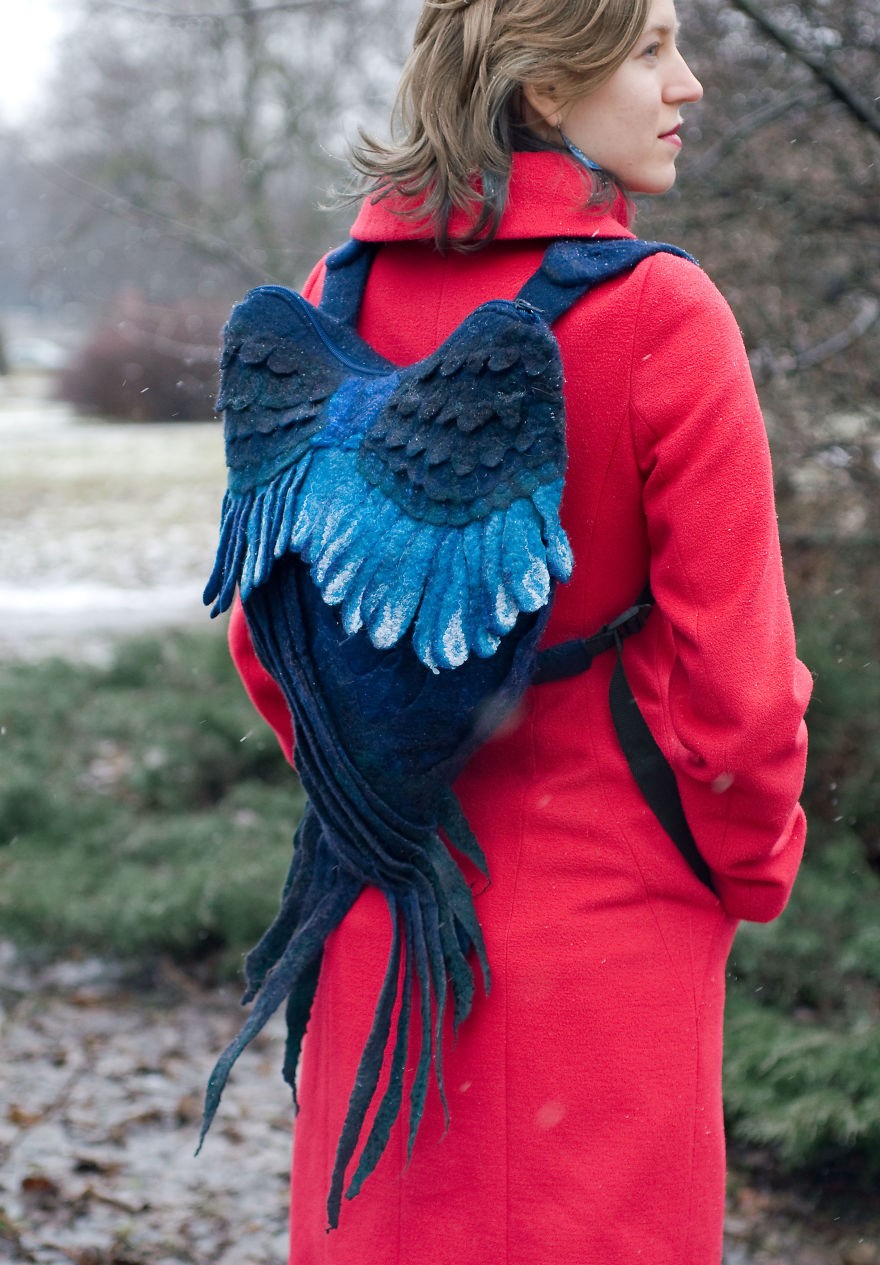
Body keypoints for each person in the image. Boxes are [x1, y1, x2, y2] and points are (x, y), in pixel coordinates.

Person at [224, 0, 812, 1260]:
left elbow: (270, 640)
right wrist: (744, 866)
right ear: (544, 87)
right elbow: (742, 691)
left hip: (386, 920)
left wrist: (375, 795)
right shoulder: (662, 314)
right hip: (610, 933)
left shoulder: (331, 298)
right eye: (650, 48)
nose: (689, 83)